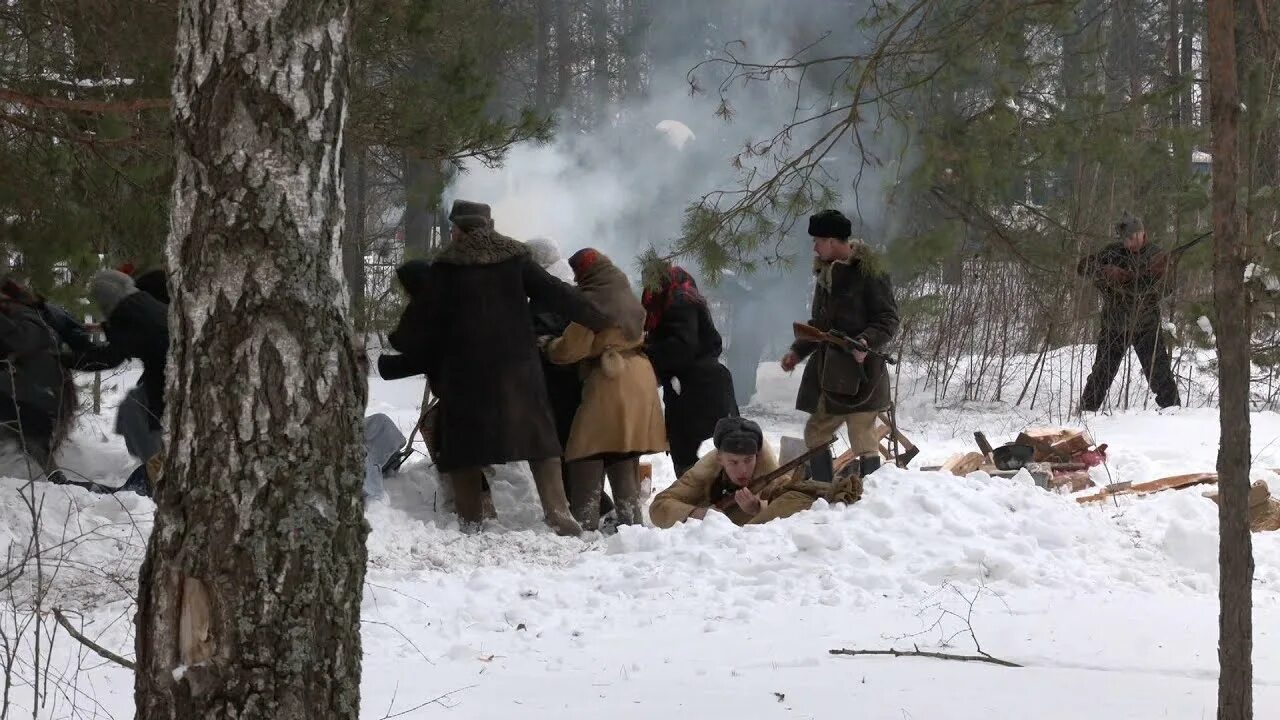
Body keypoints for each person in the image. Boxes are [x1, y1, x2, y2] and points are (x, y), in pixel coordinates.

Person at [417, 200, 608, 535]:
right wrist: (601, 319)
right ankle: (559, 514)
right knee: (540, 441)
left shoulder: (446, 266)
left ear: (458, 230)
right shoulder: (515, 258)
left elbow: (428, 320)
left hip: (467, 371)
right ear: (489, 226)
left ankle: (472, 518)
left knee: (461, 444)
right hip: (518, 368)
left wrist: (416, 353)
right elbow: (557, 293)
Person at [545, 248, 667, 530]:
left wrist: (549, 346)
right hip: (639, 375)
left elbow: (571, 348)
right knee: (623, 450)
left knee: (586, 448)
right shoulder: (624, 292)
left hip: (609, 379)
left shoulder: (593, 301)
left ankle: (585, 522)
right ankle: (631, 522)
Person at [782, 210, 899, 484]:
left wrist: (866, 341)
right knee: (815, 434)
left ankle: (871, 497)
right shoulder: (826, 273)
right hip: (831, 375)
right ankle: (823, 492)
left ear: (833, 241)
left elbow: (888, 319)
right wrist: (797, 352)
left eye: (818, 241)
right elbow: (820, 326)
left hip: (863, 374)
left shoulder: (870, 272)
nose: (815, 247)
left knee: (863, 438)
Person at [526, 238, 615, 521]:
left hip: (559, 379)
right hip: (578, 378)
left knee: (563, 444)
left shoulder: (550, 291)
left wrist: (539, 344)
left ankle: (586, 507)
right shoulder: (568, 284)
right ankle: (594, 506)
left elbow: (554, 335)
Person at [651, 416, 865, 528]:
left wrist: (758, 508)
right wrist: (698, 513)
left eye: (748, 460)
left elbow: (788, 500)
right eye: (733, 462)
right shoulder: (706, 472)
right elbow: (659, 506)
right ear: (720, 458)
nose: (743, 470)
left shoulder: (770, 473)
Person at [72, 269, 170, 494]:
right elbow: (135, 333)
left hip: (165, 380)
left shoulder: (128, 313)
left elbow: (110, 357)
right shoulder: (142, 303)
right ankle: (153, 471)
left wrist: (63, 359)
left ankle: (157, 478)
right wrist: (107, 329)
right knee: (135, 410)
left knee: (138, 414)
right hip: (166, 374)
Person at [1076, 211, 1180, 412]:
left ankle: (1174, 415)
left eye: (1132, 238)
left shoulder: (1157, 256)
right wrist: (1105, 273)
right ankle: (1086, 415)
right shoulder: (1112, 252)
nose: (1128, 243)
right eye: (1125, 239)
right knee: (1101, 373)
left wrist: (1128, 279)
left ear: (1142, 233)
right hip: (1114, 325)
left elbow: (1164, 290)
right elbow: (1083, 268)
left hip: (1146, 326)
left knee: (1160, 375)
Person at [641, 264, 737, 478]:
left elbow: (681, 347)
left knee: (689, 459)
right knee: (710, 454)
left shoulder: (679, 302)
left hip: (694, 389)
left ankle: (698, 495)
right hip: (700, 385)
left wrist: (646, 350)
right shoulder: (684, 298)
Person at [0, 282, 76, 476]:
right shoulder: (18, 317)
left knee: (33, 444)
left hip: (38, 400)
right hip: (29, 399)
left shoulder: (28, 316)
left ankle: (56, 480)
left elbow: (24, 341)